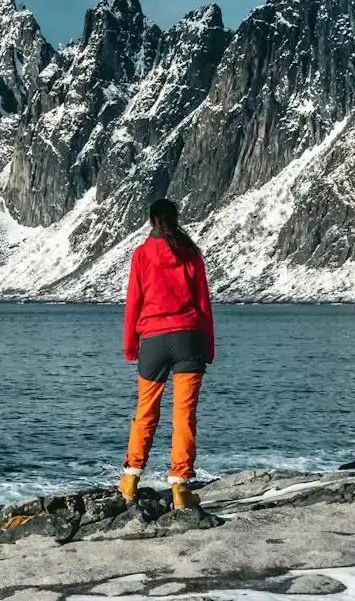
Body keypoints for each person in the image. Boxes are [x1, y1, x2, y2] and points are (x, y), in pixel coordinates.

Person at [117, 198, 214, 512]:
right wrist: (208, 347)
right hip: (189, 339)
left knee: (146, 412)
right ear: (176, 219)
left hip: (154, 343)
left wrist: (131, 346)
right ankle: (180, 486)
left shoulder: (142, 255)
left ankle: (130, 479)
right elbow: (203, 305)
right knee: (184, 415)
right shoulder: (191, 253)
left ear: (150, 221)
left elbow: (134, 303)